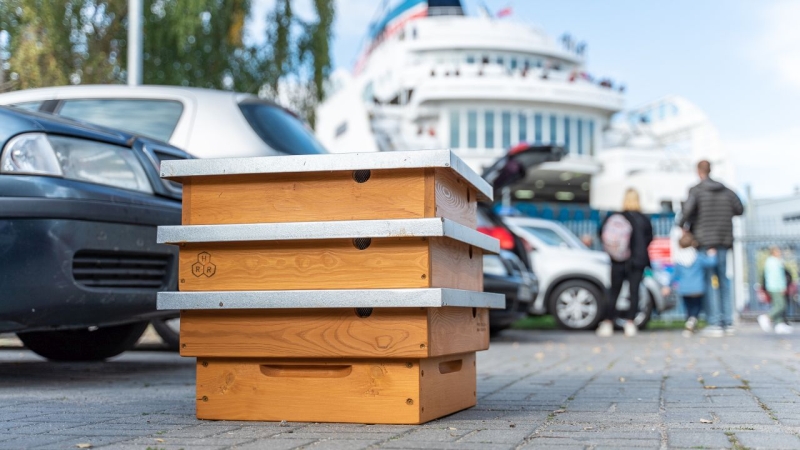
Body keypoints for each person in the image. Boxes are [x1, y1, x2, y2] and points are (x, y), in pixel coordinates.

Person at [679, 160, 743, 337]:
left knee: (708, 281)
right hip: (723, 240)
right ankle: (728, 322)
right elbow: (740, 209)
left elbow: (687, 211)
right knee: (724, 280)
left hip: (705, 241)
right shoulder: (727, 191)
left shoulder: (697, 190)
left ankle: (714, 323)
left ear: (699, 171)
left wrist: (680, 224)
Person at [596, 189, 653, 337]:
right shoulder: (644, 219)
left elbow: (601, 232)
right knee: (634, 292)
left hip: (618, 260)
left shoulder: (617, 217)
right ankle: (630, 323)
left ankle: (608, 322)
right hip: (637, 261)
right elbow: (649, 238)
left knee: (614, 291)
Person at [666, 232, 717, 337]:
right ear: (693, 243)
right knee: (697, 306)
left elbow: (674, 275)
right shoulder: (697, 256)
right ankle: (692, 320)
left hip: (684, 289)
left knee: (688, 307)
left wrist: (668, 286)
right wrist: (712, 254)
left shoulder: (678, 259)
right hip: (698, 288)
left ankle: (690, 323)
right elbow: (710, 263)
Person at [758, 247, 792, 334]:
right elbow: (778, 276)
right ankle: (767, 317)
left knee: (777, 304)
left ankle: (779, 325)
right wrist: (782, 287)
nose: (780, 253)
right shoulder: (775, 262)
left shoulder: (771, 262)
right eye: (778, 251)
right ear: (773, 252)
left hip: (772, 286)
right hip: (776, 287)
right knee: (781, 305)